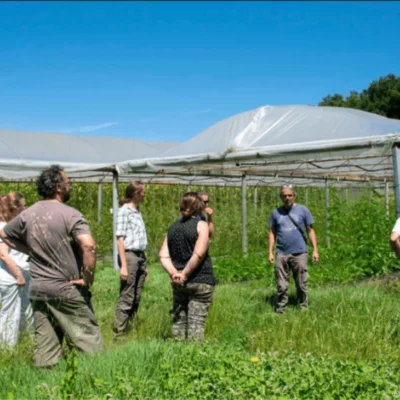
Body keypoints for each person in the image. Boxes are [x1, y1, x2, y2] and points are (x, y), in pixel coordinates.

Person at [0, 165, 102, 367]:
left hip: (39, 290)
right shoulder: (70, 214)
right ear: (58, 187)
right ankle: (95, 385)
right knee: (89, 343)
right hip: (66, 287)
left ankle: (45, 390)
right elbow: (88, 245)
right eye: (68, 183)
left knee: (46, 350)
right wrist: (88, 277)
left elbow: (4, 234)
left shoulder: (27, 214)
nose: (70, 186)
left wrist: (31, 250)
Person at [159, 192, 215, 341]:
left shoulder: (173, 228)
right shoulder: (201, 225)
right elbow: (199, 253)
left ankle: (177, 350)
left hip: (179, 282)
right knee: (196, 323)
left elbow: (163, 255)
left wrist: (175, 274)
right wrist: (185, 273)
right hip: (200, 279)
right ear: (198, 206)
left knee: (179, 319)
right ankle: (194, 357)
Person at [268, 184, 319, 314]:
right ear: (280, 197)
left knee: (301, 283)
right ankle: (281, 309)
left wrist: (315, 250)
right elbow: (272, 233)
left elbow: (310, 230)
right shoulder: (276, 213)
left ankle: (303, 308)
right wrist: (270, 252)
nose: (287, 198)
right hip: (281, 253)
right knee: (281, 285)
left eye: (290, 195)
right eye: (284, 196)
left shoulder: (303, 210)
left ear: (294, 196)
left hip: (300, 252)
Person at [113, 181, 148, 337]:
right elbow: (120, 239)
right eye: (143, 192)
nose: (144, 195)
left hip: (140, 255)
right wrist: (124, 266)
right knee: (127, 295)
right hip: (130, 255)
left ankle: (130, 327)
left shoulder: (137, 211)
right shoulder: (124, 211)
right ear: (135, 193)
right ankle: (118, 331)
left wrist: (144, 263)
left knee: (137, 295)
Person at [0, 192, 33, 348]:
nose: (26, 208)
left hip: (19, 276)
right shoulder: (4, 227)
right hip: (12, 277)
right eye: (24, 206)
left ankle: (24, 343)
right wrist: (18, 275)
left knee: (23, 313)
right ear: (15, 208)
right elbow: (3, 254)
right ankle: (7, 349)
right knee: (10, 316)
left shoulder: (9, 225)